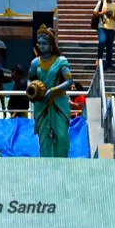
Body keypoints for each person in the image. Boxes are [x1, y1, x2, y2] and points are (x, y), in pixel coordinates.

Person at [27, 25, 73, 157]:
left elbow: (69, 81)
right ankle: (46, 168)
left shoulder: (61, 61)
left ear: (51, 44)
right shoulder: (35, 63)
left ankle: (62, 165)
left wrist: (54, 90)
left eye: (44, 43)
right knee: (44, 139)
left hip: (59, 103)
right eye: (39, 43)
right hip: (42, 104)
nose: (41, 46)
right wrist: (31, 89)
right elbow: (30, 79)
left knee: (62, 137)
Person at [93, 0, 115, 67]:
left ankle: (108, 65)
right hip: (102, 26)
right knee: (102, 41)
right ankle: (99, 58)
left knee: (109, 47)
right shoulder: (101, 3)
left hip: (111, 28)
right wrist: (103, 12)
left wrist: (111, 15)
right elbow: (94, 13)